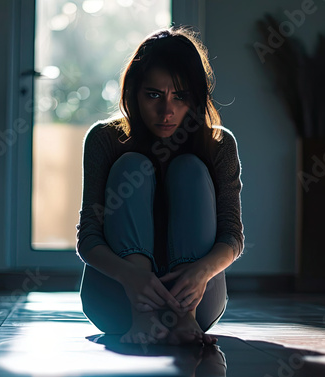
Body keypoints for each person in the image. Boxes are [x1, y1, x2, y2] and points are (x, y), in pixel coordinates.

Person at [75, 26, 244, 346]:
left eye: (179, 96)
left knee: (190, 168)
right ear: (133, 94)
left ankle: (182, 321)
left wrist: (200, 273)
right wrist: (131, 277)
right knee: (131, 165)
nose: (167, 111)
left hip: (196, 303)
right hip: (116, 302)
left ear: (195, 98)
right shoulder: (105, 139)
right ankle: (142, 318)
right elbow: (88, 237)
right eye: (153, 94)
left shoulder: (219, 144)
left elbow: (232, 236)